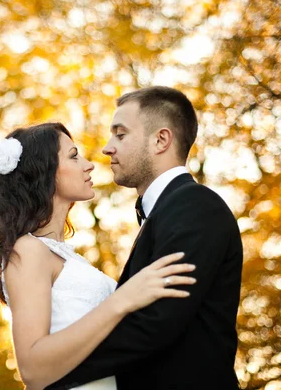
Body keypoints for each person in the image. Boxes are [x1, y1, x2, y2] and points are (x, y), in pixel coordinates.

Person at [46, 86, 244, 389]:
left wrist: (55, 371)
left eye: (120, 134)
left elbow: (156, 322)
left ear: (160, 140)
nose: (107, 148)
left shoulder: (196, 207)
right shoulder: (168, 210)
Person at [0, 122, 197, 390]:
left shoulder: (68, 257)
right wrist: (123, 299)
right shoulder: (27, 249)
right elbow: (32, 369)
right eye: (74, 156)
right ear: (44, 170)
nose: (89, 165)